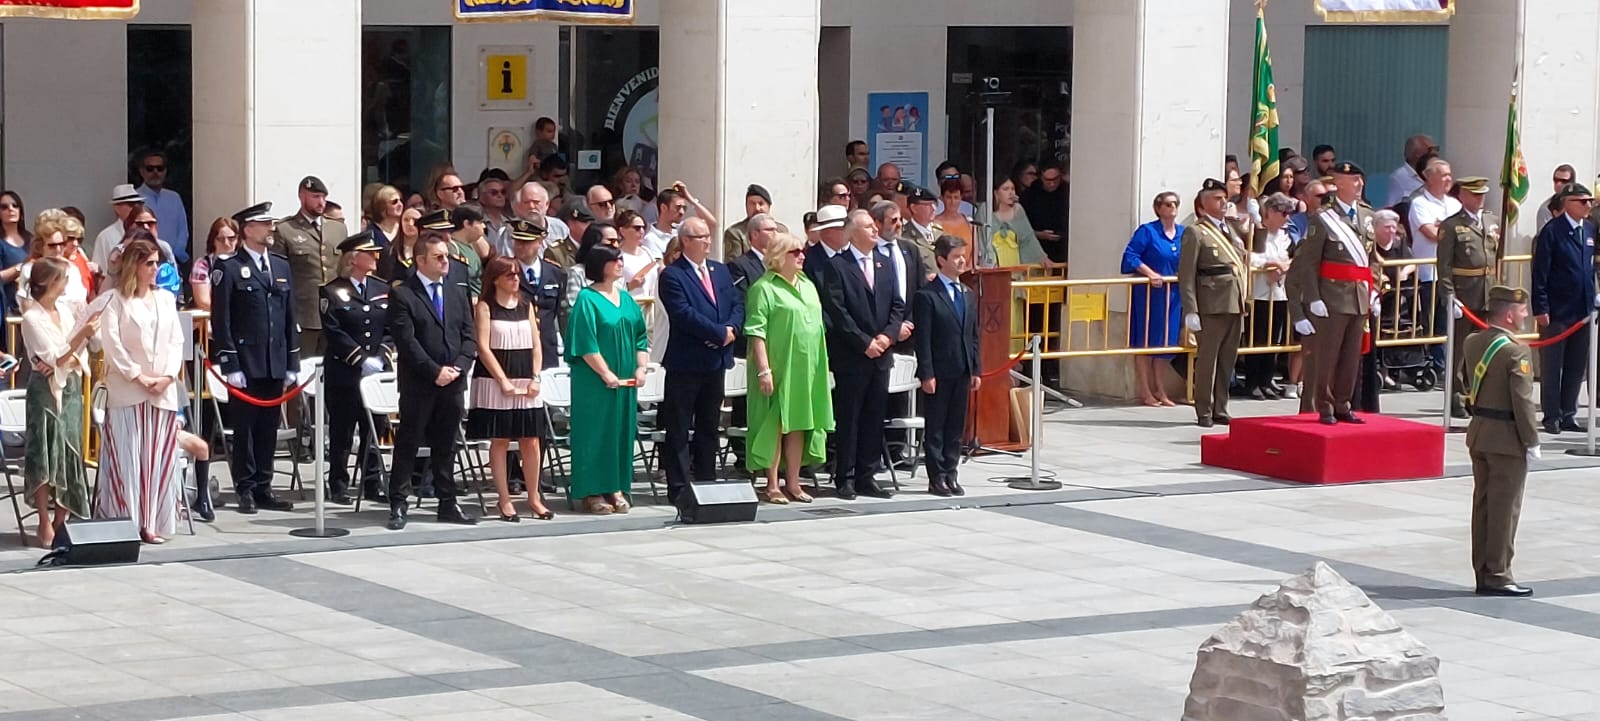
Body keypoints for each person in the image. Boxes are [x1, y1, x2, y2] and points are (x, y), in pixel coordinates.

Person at [384, 232, 479, 530]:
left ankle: (447, 502)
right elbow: (407, 341)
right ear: (420, 260)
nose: (445, 262)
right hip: (420, 383)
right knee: (409, 442)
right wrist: (434, 370)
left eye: (447, 256)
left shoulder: (456, 291)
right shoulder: (403, 294)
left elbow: (468, 334)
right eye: (438, 257)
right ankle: (399, 502)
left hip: (453, 381)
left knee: (446, 444)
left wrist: (460, 366)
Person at [210, 202, 299, 514]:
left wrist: (292, 361)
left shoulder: (281, 266)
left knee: (268, 428)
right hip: (246, 361)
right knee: (245, 428)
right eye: (264, 224)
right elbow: (222, 320)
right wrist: (230, 362)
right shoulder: (228, 268)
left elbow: (289, 317)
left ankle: (264, 486)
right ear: (247, 229)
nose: (270, 229)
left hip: (274, 360)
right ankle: (245, 487)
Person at [97, 239, 185, 543]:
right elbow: (112, 345)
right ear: (134, 264)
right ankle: (127, 521)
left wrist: (166, 375)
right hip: (127, 390)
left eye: (157, 262)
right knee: (129, 457)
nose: (155, 268)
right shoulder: (114, 300)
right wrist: (138, 376)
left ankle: (152, 521)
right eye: (149, 263)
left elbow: (176, 341)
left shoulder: (165, 299)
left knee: (156, 457)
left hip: (162, 390)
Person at [658, 210, 743, 506]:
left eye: (708, 236)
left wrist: (731, 329)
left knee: (709, 425)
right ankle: (679, 486)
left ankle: (707, 481)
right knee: (680, 427)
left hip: (716, 362)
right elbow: (683, 314)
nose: (708, 241)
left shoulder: (720, 271)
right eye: (700, 237)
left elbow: (735, 304)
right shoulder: (673, 274)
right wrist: (718, 333)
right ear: (685, 241)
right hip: (686, 362)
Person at [818, 209, 904, 500]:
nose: (875, 230)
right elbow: (837, 310)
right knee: (850, 417)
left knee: (874, 416)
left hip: (881, 355)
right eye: (868, 226)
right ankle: (846, 477)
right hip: (853, 356)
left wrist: (887, 336)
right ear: (853, 232)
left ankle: (868, 475)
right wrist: (863, 341)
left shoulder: (884, 263)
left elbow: (897, 306)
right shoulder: (838, 265)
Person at [1288, 162, 1380, 425]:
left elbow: (1372, 259)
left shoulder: (1367, 215)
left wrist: (1374, 290)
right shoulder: (1323, 218)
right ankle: (1325, 405)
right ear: (1339, 183)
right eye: (1354, 180)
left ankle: (1343, 403)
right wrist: (1314, 298)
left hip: (1359, 296)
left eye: (1360, 180)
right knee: (1327, 356)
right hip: (1331, 297)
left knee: (1352, 357)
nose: (1360, 184)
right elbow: (1309, 263)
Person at [1462, 286, 1539, 597]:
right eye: (1521, 310)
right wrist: (1531, 440)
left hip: (1480, 432)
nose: (1525, 315)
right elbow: (1522, 401)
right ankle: (1499, 574)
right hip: (1507, 439)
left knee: (1482, 507)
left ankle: (1483, 570)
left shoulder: (1472, 341)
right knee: (1505, 509)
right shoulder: (1515, 351)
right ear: (1509, 314)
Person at [744, 232, 832, 503]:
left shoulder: (807, 284)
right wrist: (764, 369)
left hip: (807, 367)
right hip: (778, 365)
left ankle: (793, 482)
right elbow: (756, 331)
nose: (802, 256)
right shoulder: (764, 287)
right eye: (795, 252)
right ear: (779, 256)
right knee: (776, 423)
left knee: (799, 424)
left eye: (802, 251)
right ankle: (771, 484)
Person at [467, 255, 555, 522]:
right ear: (495, 279)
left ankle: (534, 497)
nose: (516, 279)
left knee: (531, 439)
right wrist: (502, 380)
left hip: (525, 376)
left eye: (517, 274)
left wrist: (536, 376)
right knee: (501, 438)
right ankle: (504, 498)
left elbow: (536, 344)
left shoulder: (526, 304)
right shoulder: (485, 306)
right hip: (496, 379)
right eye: (509, 275)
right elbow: (483, 347)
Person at [566, 244, 648, 514]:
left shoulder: (626, 298)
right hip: (594, 381)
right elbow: (585, 341)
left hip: (625, 380)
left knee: (619, 432)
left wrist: (641, 368)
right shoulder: (587, 299)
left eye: (620, 259)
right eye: (613, 260)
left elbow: (639, 336)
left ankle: (616, 486)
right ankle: (591, 491)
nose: (619, 263)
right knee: (595, 432)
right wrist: (605, 372)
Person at [21, 258, 96, 547]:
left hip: (71, 386)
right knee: (44, 452)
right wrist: (75, 344)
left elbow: (71, 353)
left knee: (69, 451)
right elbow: (52, 355)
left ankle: (60, 520)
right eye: (63, 279)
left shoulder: (65, 311)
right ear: (51, 282)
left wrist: (69, 353)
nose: (67, 284)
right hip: (45, 393)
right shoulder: (32, 318)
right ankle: (43, 520)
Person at [319, 231, 391, 506]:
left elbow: (389, 328)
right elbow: (334, 332)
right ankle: (338, 483)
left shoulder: (380, 288)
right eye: (369, 253)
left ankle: (371, 482)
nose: (375, 257)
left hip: (375, 372)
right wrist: (361, 360)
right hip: (345, 372)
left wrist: (382, 356)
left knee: (374, 428)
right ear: (353, 258)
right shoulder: (332, 291)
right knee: (343, 431)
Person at [1177, 178, 1248, 428]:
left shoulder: (1231, 229)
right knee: (1208, 360)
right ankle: (1203, 410)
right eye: (1217, 198)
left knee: (1228, 359)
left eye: (1223, 197)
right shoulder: (1196, 232)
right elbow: (1186, 274)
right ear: (1203, 204)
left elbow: (1248, 256)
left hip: (1234, 303)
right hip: (1211, 303)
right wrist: (1191, 309)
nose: (1223, 202)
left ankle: (1221, 406)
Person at [913, 235, 979, 497]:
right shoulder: (927, 296)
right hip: (939, 371)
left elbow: (973, 335)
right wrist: (927, 372)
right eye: (956, 257)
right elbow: (924, 339)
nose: (962, 260)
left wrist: (976, 369)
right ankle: (936, 476)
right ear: (941, 260)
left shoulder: (967, 294)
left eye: (964, 255)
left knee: (955, 426)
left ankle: (952, 472)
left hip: (962, 368)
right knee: (937, 426)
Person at [1530, 183, 1599, 434]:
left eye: (1589, 201)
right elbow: (1540, 273)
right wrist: (1541, 307)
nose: (1588, 205)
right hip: (1558, 310)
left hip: (1582, 309)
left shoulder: (1589, 229)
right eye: (1582, 201)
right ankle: (1552, 416)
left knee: (1576, 364)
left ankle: (1569, 413)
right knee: (1553, 365)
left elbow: (1589, 268)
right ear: (1568, 203)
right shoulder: (1552, 231)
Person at [1437, 177, 1500, 419]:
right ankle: (1456, 398)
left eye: (1482, 194)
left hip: (1487, 292)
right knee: (1459, 351)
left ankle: (1478, 397)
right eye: (1474, 194)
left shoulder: (1491, 220)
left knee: (1484, 349)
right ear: (1462, 196)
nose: (1480, 198)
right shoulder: (1452, 226)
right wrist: (1449, 295)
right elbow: (1444, 265)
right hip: (1464, 293)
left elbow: (1495, 256)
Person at [1122, 191, 1185, 407]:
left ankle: (1161, 389)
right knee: (1146, 341)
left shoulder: (1183, 233)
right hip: (1149, 294)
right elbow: (1131, 255)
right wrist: (1150, 273)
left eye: (1175, 203)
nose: (1172, 207)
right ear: (1158, 208)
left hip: (1173, 294)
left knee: (1165, 343)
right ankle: (1145, 390)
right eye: (1167, 204)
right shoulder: (1147, 231)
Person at [277, 176, 348, 358]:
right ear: (302, 196)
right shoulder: (285, 229)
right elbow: (279, 276)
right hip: (304, 314)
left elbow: (344, 269)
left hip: (335, 312)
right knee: (302, 371)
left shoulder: (337, 228)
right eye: (316, 196)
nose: (321, 202)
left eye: (324, 197)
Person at [1244, 193, 1297, 401]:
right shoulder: (1256, 233)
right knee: (1256, 339)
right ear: (1271, 212)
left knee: (1273, 340)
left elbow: (1295, 258)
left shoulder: (1286, 237)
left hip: (1279, 293)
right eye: (1283, 213)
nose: (1286, 218)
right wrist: (1270, 264)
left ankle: (1267, 380)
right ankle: (1253, 382)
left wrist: (1283, 266)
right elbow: (1248, 256)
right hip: (1258, 294)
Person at [508, 219, 563, 369]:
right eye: (517, 241)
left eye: (526, 242)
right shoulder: (505, 272)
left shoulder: (555, 273)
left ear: (539, 242)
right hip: (516, 348)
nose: (520, 246)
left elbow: (559, 311)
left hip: (547, 348)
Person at [133, 148, 190, 265]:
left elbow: (183, 230)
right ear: (141, 171)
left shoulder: (174, 198)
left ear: (165, 171)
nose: (155, 172)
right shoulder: (134, 198)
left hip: (174, 261)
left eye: (160, 168)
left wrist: (175, 255)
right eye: (150, 169)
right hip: (144, 261)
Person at [983, 177, 1050, 269]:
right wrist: (990, 263)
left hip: (1014, 262)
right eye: (1006, 189)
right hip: (994, 264)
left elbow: (1028, 238)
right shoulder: (985, 210)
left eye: (1012, 189)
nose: (1011, 193)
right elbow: (982, 240)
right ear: (995, 193)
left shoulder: (1018, 209)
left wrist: (1042, 257)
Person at [723, 184, 789, 260]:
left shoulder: (781, 230)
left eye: (761, 204)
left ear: (769, 206)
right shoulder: (736, 233)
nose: (757, 208)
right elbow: (733, 265)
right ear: (746, 206)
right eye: (752, 204)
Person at [1020, 163, 1069, 263]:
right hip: (1037, 248)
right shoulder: (1029, 195)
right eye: (1048, 180)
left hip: (1064, 249)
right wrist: (1039, 234)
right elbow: (1020, 227)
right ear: (1041, 177)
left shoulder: (1068, 191)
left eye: (1055, 179)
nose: (1052, 184)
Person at [189, 218, 238, 312]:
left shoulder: (244, 263)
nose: (226, 243)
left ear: (238, 239)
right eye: (221, 239)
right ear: (213, 240)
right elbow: (203, 302)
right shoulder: (203, 265)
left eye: (231, 239)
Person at [0, 190, 32, 319]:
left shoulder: (31, 239)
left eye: (15, 205)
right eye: (4, 207)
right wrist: (21, 268)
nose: (10, 209)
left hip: (30, 305)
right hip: (7, 307)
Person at [93, 184, 144, 264]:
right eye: (131, 204)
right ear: (117, 208)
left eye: (139, 203)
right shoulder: (105, 237)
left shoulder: (147, 230)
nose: (136, 208)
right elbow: (99, 269)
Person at [1385, 134, 1438, 207]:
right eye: (1430, 149)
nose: (1435, 153)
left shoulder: (1438, 175)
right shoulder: (1397, 179)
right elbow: (1390, 209)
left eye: (1436, 149)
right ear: (1417, 154)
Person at [378, 206, 423, 284]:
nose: (410, 224)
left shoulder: (427, 250)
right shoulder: (389, 250)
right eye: (406, 220)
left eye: (415, 220)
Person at [932, 179, 974, 246]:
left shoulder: (969, 222)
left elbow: (975, 251)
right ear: (942, 198)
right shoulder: (935, 223)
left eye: (956, 197)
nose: (952, 202)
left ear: (961, 198)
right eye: (949, 197)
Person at [1536, 164, 1577, 230]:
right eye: (1556, 180)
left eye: (1563, 181)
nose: (1558, 184)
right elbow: (1545, 237)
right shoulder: (1546, 208)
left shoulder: (1583, 204)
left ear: (1573, 183)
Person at [365, 183, 405, 248]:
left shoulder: (404, 229)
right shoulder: (371, 232)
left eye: (401, 200)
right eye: (394, 202)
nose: (400, 204)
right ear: (382, 206)